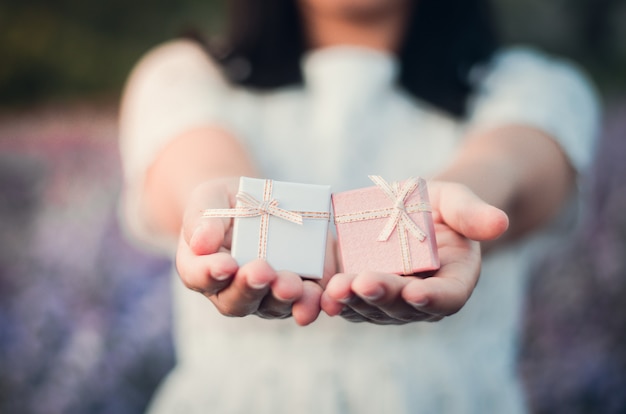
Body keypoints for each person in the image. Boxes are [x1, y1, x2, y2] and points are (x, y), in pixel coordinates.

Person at [118, 0, 600, 412]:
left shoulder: (533, 86)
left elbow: (506, 161)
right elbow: (198, 163)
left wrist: (453, 201)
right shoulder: (184, 75)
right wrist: (221, 198)